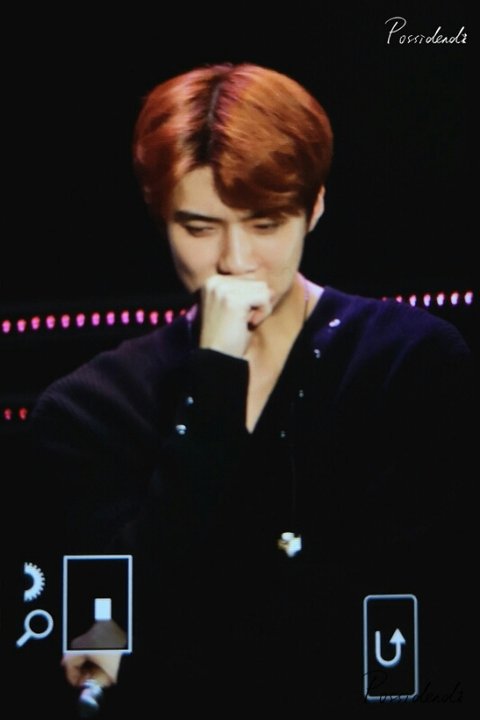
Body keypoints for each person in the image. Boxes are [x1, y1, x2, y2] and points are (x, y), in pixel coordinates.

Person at [25, 62, 473, 715]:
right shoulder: (91, 407)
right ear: (160, 216)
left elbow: (438, 602)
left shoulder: (410, 362)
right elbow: (113, 627)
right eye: (199, 228)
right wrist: (214, 376)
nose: (235, 261)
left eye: (264, 224)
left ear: (314, 208)